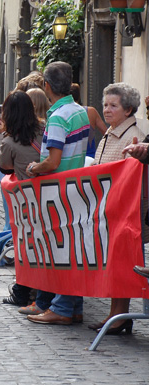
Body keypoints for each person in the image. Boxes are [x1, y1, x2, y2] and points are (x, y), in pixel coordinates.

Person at [24, 61, 90, 326]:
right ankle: (73, 306)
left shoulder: (59, 116)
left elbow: (52, 160)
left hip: (58, 190)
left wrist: (34, 167)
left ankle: (62, 307)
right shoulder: (80, 111)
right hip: (76, 188)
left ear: (46, 86)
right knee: (72, 248)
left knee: (62, 251)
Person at [86, 83, 146, 334]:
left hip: (124, 213)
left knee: (122, 262)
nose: (107, 110)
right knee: (113, 262)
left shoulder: (134, 137)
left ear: (128, 109)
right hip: (107, 211)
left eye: (113, 106)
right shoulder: (111, 133)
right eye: (105, 105)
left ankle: (120, 315)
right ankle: (115, 313)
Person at [0, 90, 44, 307]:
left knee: (25, 246)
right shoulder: (45, 129)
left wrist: (2, 133)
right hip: (50, 194)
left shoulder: (10, 141)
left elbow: (4, 167)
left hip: (27, 199)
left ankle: (22, 291)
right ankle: (31, 291)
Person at [71, 83, 108, 158]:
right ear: (79, 96)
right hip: (90, 158)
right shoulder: (91, 111)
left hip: (72, 161)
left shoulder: (63, 114)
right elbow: (106, 133)